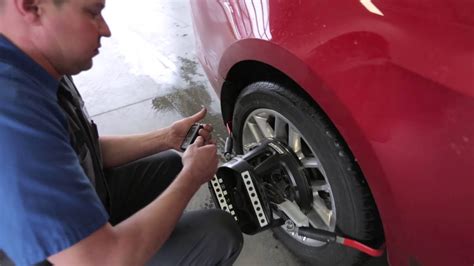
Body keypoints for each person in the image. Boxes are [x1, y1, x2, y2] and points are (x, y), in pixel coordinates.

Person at [0, 0, 243, 265]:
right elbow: (101, 261)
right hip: (72, 259)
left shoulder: (35, 67)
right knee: (218, 233)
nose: (106, 30)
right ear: (32, 7)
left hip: (80, 219)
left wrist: (166, 137)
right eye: (92, 13)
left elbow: (81, 149)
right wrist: (191, 178)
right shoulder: (14, 114)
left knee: (171, 163)